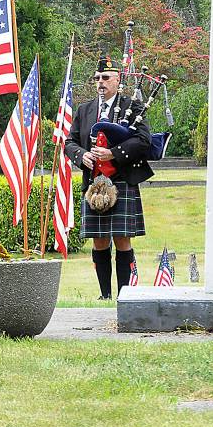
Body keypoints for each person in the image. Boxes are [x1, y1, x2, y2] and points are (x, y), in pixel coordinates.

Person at [64, 56, 154, 299]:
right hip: (94, 183)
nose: (100, 82)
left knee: (122, 240)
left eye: (105, 78)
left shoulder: (132, 106)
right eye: (97, 78)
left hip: (121, 179)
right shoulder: (85, 110)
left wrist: (112, 154)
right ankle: (105, 295)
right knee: (99, 241)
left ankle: (124, 295)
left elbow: (144, 140)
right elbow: (69, 142)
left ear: (117, 80)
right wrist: (81, 155)